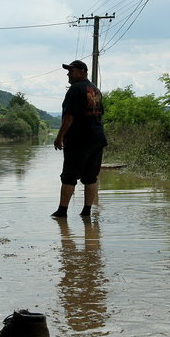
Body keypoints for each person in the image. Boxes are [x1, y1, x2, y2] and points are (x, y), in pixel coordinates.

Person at [52, 60, 107, 218]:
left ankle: (62, 212)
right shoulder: (95, 90)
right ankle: (86, 212)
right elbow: (100, 114)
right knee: (91, 177)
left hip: (79, 140)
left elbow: (69, 117)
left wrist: (59, 137)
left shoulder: (75, 89)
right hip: (97, 139)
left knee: (69, 176)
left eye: (71, 71)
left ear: (82, 71)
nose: (68, 74)